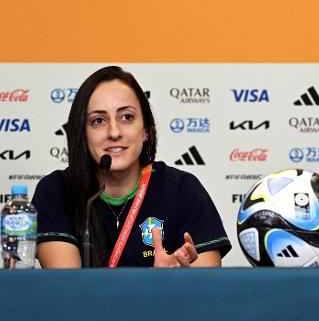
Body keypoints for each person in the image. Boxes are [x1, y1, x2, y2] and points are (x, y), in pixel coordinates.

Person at [32, 66, 231, 268]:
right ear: (82, 133)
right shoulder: (56, 191)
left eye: (127, 117)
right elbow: (67, 288)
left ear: (145, 129)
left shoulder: (182, 189)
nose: (114, 132)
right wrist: (151, 284)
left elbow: (207, 286)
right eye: (98, 120)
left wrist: (175, 281)